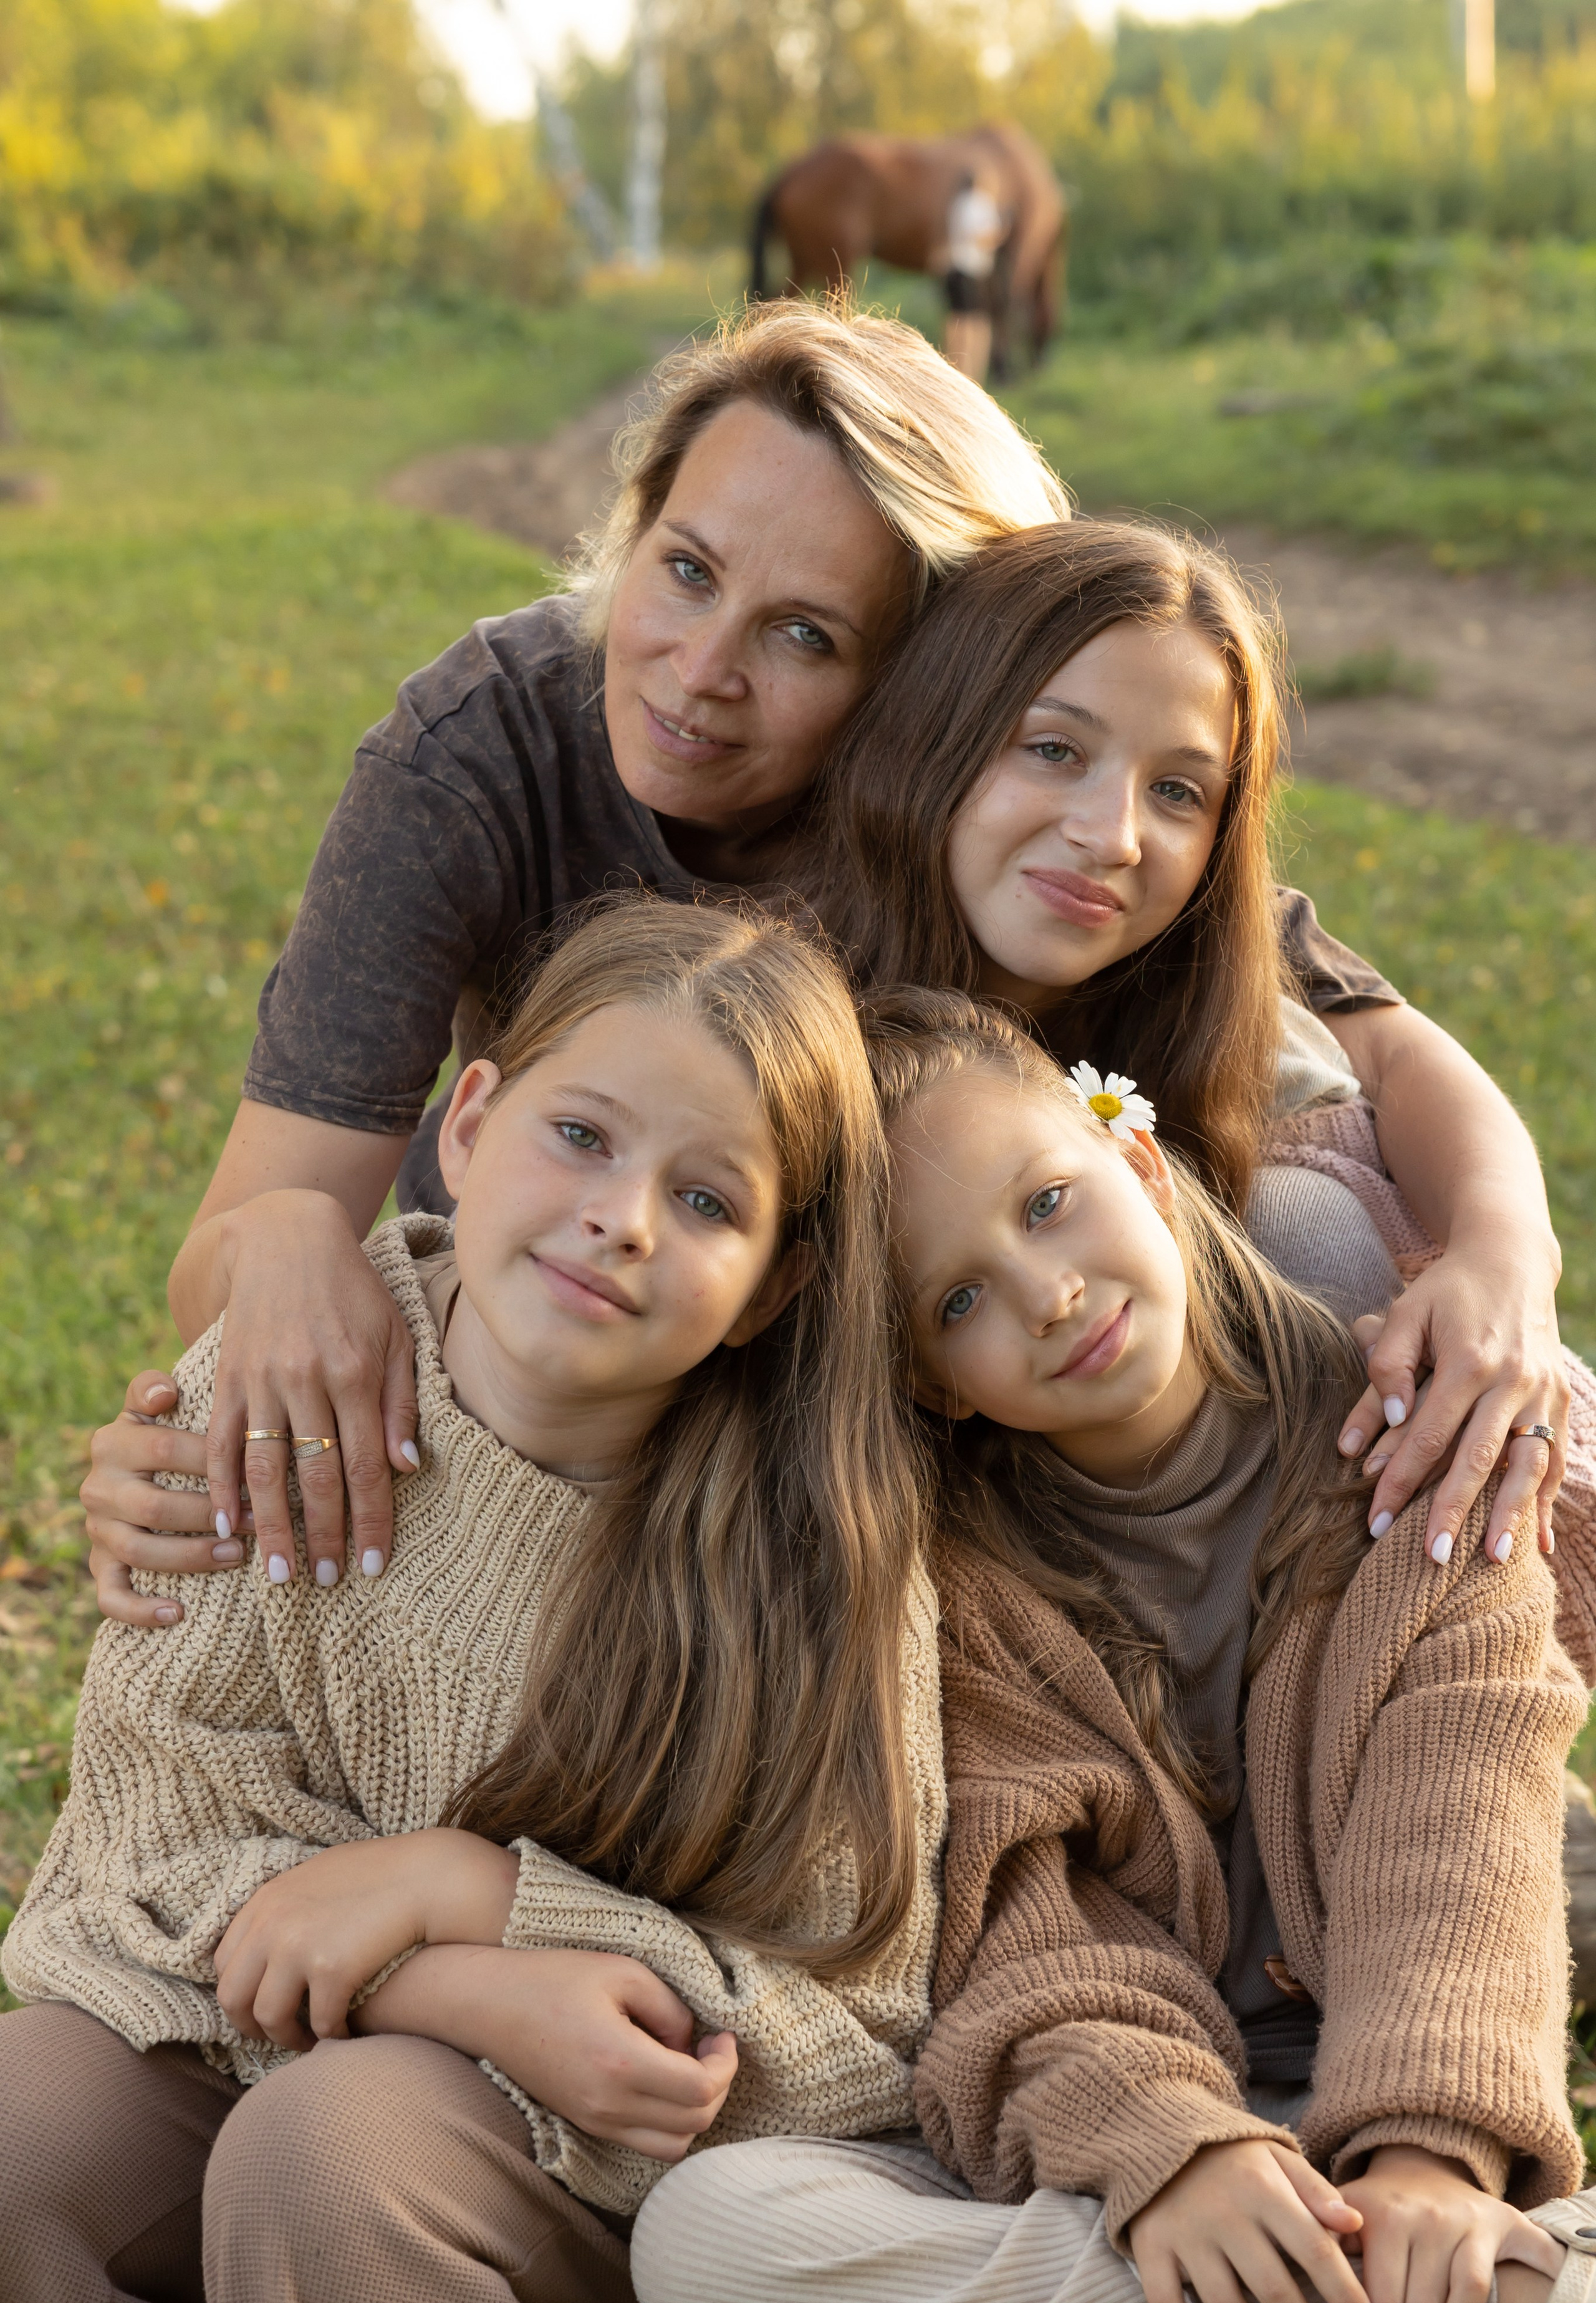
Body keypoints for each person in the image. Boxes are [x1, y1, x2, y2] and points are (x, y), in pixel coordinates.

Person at [79, 305, 1416, 1627]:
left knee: (1314, 1241)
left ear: (927, 684)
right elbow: (237, 1242)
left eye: (804, 636)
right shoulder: (485, 743)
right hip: (563, 1283)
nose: (699, 670)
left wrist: (1499, 1252)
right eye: (686, 569)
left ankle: (1321, 1674)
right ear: (635, 526)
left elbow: (1345, 1011)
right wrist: (283, 1289)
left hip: (864, 1328)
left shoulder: (981, 802)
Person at [0, 900, 946, 2303]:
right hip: (240, 2030)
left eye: (706, 1201)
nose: (622, 1216)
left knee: (329, 2150)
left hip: (584, 2185)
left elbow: (859, 2023)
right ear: (472, 1121)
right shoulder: (289, 1377)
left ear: (772, 1288)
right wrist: (439, 1978)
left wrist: (495, 1902)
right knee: (22, 2136)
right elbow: (135, 1848)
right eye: (581, 1135)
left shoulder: (812, 1540)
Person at [628, 989, 1596, 2303]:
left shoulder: (1410, 1428)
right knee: (711, 2242)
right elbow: (1018, 1921)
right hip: (1137, 2176)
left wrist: (1423, 2159)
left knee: (1409, 2235)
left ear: (1137, 1161)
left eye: (1046, 1203)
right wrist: (1171, 2152)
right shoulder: (945, 1589)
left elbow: (1461, 1822)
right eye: (957, 1301)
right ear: (931, 1383)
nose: (1047, 1293)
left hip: (1385, 2123)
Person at [804, 516, 1584, 1579]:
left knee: (1301, 1225)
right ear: (938, 729)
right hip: (1046, 1585)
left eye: (1179, 791)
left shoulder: (1209, 954)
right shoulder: (809, 1023)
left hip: (1379, 1499)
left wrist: (1505, 1259)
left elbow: (1402, 1055)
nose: (1113, 834)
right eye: (1054, 748)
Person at [942, 172, 1007, 386]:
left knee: (957, 322)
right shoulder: (980, 204)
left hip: (955, 268)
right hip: (972, 270)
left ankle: (956, 372)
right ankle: (971, 375)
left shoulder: (959, 203)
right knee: (976, 325)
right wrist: (1003, 231)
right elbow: (980, 238)